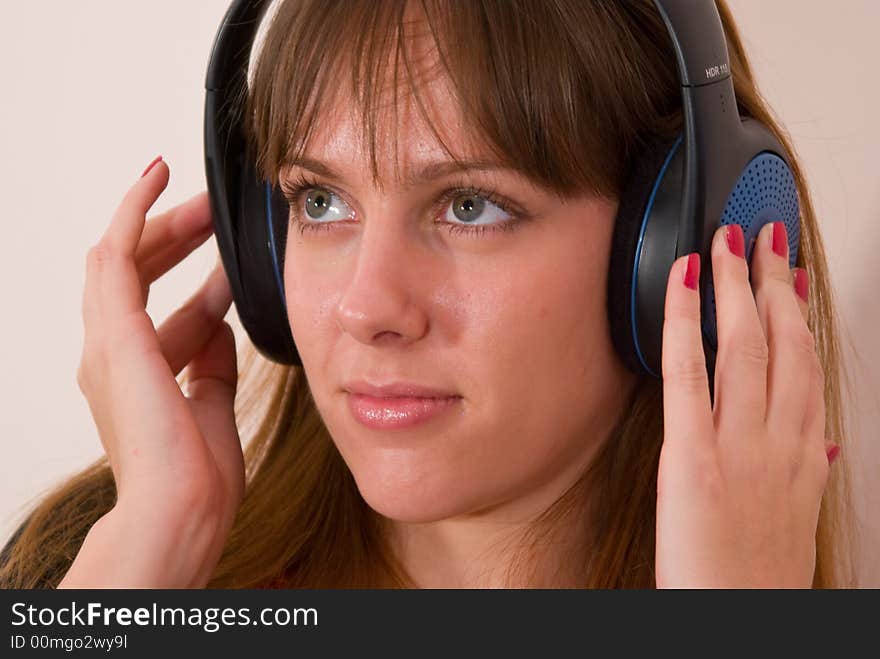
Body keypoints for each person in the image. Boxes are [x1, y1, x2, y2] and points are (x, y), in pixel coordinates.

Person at [0, 0, 858, 589]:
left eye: (469, 206)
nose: (366, 308)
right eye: (320, 201)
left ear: (687, 242)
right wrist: (146, 564)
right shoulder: (92, 575)